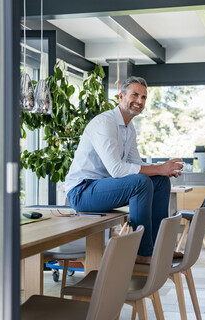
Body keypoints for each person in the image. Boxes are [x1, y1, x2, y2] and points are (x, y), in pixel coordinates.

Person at [64, 76, 183, 264]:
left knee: (160, 181)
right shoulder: (105, 123)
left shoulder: (129, 128)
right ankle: (142, 252)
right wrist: (159, 167)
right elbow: (118, 170)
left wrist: (162, 171)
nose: (140, 101)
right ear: (121, 96)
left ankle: (160, 248)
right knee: (140, 182)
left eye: (144, 97)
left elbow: (137, 164)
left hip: (103, 188)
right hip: (82, 191)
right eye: (135, 95)